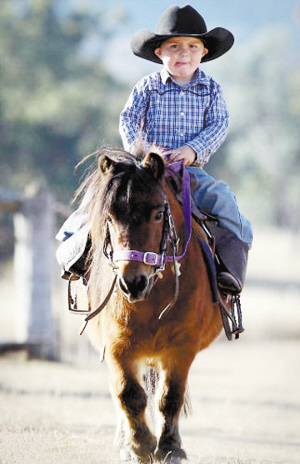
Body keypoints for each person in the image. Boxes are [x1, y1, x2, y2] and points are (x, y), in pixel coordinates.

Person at [119, 4, 253, 294]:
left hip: (190, 171)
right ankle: (76, 248)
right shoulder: (147, 87)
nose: (184, 53)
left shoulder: (211, 89)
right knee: (108, 196)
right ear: (159, 53)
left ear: (204, 52)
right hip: (149, 173)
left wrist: (193, 150)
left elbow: (219, 124)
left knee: (224, 202)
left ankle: (230, 271)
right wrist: (140, 152)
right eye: (175, 46)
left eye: (193, 46)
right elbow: (128, 118)